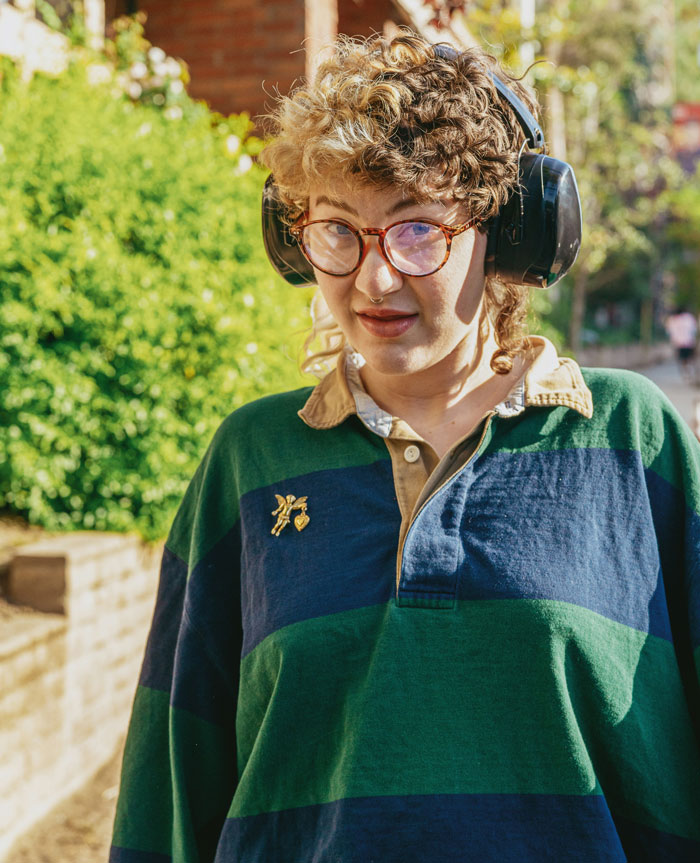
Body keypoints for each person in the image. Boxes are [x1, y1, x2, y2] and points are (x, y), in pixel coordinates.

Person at [109, 33, 700, 862]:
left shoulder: (631, 438)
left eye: (418, 231)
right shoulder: (250, 459)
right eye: (338, 231)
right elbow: (168, 792)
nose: (374, 278)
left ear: (507, 235)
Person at [665, 305, 698, 381]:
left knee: (683, 358)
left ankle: (687, 371)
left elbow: (669, 332)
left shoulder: (672, 320)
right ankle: (690, 370)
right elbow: (694, 329)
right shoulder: (689, 317)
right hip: (689, 342)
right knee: (689, 357)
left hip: (679, 343)